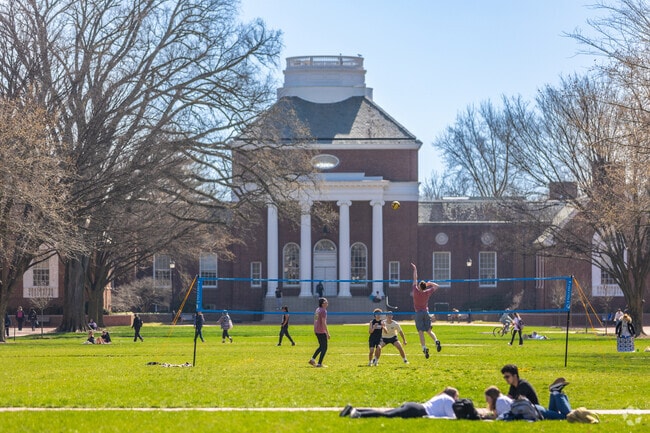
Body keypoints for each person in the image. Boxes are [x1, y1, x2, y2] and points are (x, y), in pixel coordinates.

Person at [500, 364, 572, 420]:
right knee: (554, 414)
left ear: (515, 376)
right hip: (536, 410)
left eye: (507, 376)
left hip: (536, 411)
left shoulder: (523, 385)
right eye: (504, 377)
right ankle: (554, 393)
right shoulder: (513, 386)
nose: (506, 379)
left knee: (566, 417)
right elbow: (508, 400)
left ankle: (556, 392)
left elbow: (519, 402)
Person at [340, 386, 459, 419]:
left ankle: (353, 409)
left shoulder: (442, 397)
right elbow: (452, 417)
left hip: (414, 406)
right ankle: (359, 415)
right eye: (457, 397)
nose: (457, 400)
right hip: (417, 411)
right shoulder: (449, 400)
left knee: (386, 413)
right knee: (387, 415)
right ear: (453, 395)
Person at [410, 263, 441, 358]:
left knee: (420, 332)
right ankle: (436, 341)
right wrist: (429, 283)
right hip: (426, 312)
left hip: (418, 313)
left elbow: (415, 278)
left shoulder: (415, 291)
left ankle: (424, 348)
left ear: (419, 286)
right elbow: (437, 286)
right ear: (425, 287)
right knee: (428, 330)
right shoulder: (427, 292)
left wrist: (415, 269)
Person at [308, 297, 329, 367]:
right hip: (321, 331)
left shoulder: (317, 309)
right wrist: (327, 333)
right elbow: (323, 322)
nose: (327, 303)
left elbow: (315, 319)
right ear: (322, 304)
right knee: (324, 347)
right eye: (326, 302)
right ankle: (319, 363)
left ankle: (312, 359)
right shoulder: (323, 311)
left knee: (321, 346)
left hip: (316, 330)